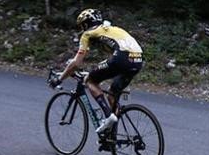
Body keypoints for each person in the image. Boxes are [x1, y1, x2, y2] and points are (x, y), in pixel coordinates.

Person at [48, 8, 144, 144]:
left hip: (122, 57)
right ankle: (111, 137)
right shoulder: (110, 29)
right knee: (112, 95)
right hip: (138, 59)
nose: (82, 29)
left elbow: (76, 63)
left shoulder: (88, 33)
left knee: (90, 81)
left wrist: (60, 78)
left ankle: (108, 117)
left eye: (81, 25)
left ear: (86, 24)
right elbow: (112, 62)